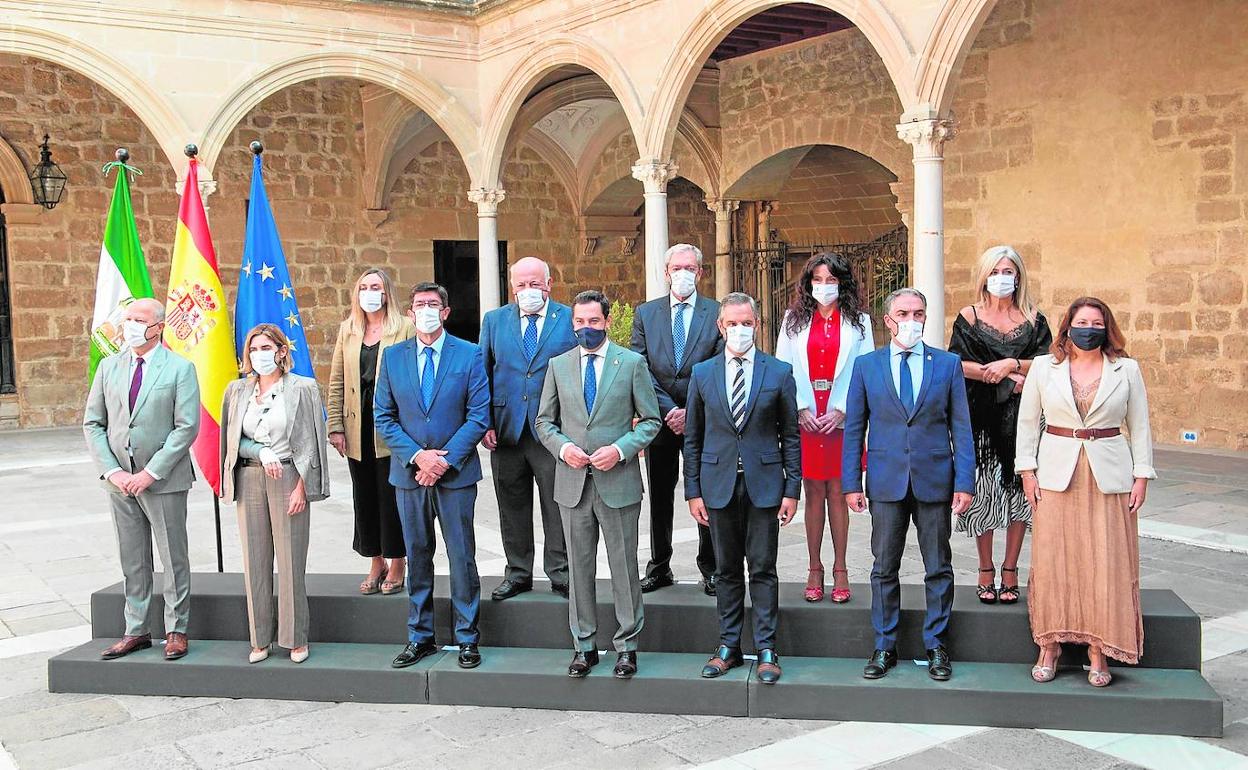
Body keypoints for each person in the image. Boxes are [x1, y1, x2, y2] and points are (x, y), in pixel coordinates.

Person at [1016, 297, 1154, 687]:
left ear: (1106, 328)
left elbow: (1140, 426)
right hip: (1056, 472)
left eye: (1096, 322)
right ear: (1067, 326)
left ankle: (1099, 648)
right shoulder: (1045, 367)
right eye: (1081, 321)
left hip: (1109, 473)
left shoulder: (1127, 369)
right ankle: (1050, 645)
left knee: (1105, 560)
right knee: (1054, 557)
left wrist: (1142, 474)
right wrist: (1027, 470)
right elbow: (1028, 424)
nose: (1088, 328)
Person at [842, 288, 975, 682]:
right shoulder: (867, 366)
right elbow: (854, 430)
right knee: (884, 567)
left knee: (938, 566)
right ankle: (885, 645)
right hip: (886, 481)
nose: (911, 319)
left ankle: (936, 645)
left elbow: (961, 429)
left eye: (919, 312)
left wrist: (964, 482)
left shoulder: (947, 364)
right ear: (888, 320)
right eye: (903, 313)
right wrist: (852, 482)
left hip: (935, 479)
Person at [536, 290, 661, 679]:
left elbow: (652, 420)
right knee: (579, 568)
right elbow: (544, 422)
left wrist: (622, 450)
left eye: (593, 321)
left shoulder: (632, 363)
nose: (586, 328)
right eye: (579, 322)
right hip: (573, 482)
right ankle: (584, 646)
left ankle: (627, 646)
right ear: (572, 323)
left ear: (606, 321)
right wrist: (563, 448)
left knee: (624, 567)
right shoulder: (558, 365)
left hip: (617, 481)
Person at [684, 293, 801, 685]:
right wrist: (693, 491)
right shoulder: (702, 374)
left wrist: (792, 489)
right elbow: (694, 440)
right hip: (717, 486)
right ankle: (728, 646)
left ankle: (767, 647)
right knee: (727, 570)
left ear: (756, 323)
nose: (740, 330)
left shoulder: (779, 372)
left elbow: (791, 434)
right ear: (721, 327)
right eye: (732, 324)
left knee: (764, 569)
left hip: (765, 485)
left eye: (746, 323)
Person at [375, 282, 489, 671]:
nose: (426, 309)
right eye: (419, 304)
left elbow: (479, 415)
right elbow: (383, 416)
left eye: (433, 304)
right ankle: (420, 636)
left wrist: (445, 460)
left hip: (455, 476)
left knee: (462, 558)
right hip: (409, 477)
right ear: (410, 312)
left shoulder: (470, 354)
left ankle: (467, 637)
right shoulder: (393, 357)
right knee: (418, 556)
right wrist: (418, 457)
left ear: (445, 312)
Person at [83, 298, 200, 661]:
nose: (130, 325)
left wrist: (150, 473)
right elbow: (94, 423)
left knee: (172, 557)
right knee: (132, 558)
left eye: (139, 319)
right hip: (119, 481)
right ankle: (136, 629)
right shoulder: (108, 367)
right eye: (128, 319)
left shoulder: (179, 369)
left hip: (162, 479)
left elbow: (186, 427)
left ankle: (176, 629)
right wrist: (113, 470)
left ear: (158, 327)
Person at [220, 323, 330, 664]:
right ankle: (259, 638)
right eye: (253, 349)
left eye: (266, 348)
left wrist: (302, 485)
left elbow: (313, 439)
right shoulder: (236, 391)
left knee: (290, 559)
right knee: (255, 560)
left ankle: (295, 638)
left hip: (288, 477)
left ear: (281, 351)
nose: (259, 355)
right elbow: (231, 438)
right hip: (251, 478)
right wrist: (258, 451)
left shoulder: (303, 388)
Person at [949, 246, 1052, 605]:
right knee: (986, 493)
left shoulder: (1035, 318)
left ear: (1019, 276)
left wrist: (1011, 363)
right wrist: (990, 372)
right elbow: (955, 363)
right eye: (995, 271)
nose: (1001, 277)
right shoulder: (969, 317)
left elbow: (1049, 362)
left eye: (1008, 271)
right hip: (980, 416)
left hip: (1022, 417)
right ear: (984, 276)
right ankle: (985, 568)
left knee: (1019, 493)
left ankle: (1010, 569)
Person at [775, 252, 874, 604]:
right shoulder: (793, 320)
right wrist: (799, 408)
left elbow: (866, 370)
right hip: (807, 415)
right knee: (813, 492)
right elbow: (783, 368)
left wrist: (844, 410)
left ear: (843, 283)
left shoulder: (860, 321)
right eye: (818, 280)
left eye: (831, 280)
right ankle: (814, 568)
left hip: (841, 416)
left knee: (839, 492)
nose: (824, 287)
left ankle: (841, 569)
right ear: (808, 284)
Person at [479, 256, 577, 601]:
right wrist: (484, 423)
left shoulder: (568, 319)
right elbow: (483, 373)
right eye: (521, 284)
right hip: (506, 431)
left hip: (553, 430)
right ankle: (518, 573)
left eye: (534, 283)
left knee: (557, 504)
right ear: (511, 287)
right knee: (512, 505)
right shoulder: (494, 321)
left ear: (549, 284)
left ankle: (560, 572)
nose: (528, 290)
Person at [630, 244, 724, 595]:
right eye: (677, 267)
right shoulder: (646, 313)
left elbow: (718, 366)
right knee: (660, 493)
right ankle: (659, 565)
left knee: (706, 491)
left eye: (690, 267)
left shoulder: (716, 312)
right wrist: (670, 410)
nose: (683, 273)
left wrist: (691, 412)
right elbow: (640, 366)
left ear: (700, 272)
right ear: (666, 272)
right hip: (660, 420)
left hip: (705, 420)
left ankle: (711, 566)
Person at [327, 267, 415, 596]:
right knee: (363, 496)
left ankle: (397, 561)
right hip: (356, 423)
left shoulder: (404, 328)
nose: (369, 291)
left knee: (390, 496)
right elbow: (337, 379)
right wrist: (335, 425)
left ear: (386, 292)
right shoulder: (348, 329)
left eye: (375, 286)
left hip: (390, 426)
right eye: (364, 286)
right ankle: (374, 559)